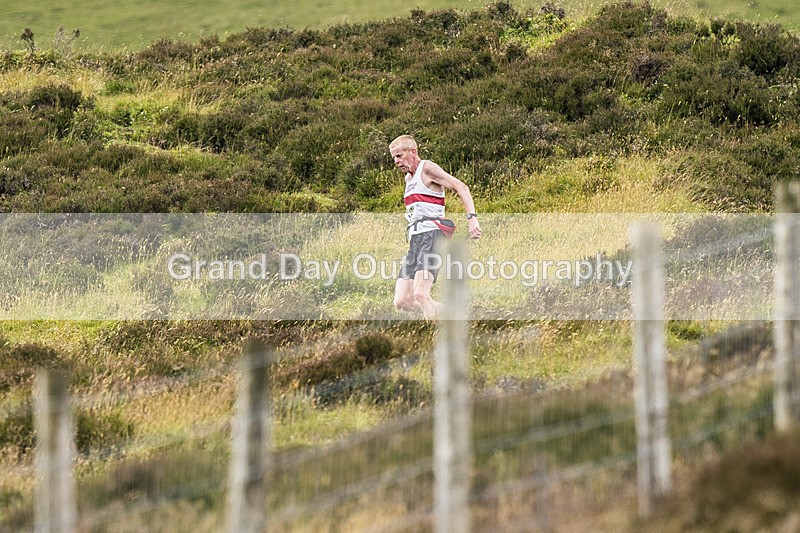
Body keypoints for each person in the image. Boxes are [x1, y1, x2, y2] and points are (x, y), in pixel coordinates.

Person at [389, 134, 482, 319]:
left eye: (399, 156)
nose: (396, 161)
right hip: (415, 240)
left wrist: (472, 219)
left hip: (432, 235)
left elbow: (461, 187)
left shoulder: (427, 168)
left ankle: (432, 335)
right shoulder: (409, 179)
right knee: (402, 301)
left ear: (412, 152)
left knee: (421, 295)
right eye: (393, 158)